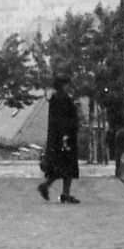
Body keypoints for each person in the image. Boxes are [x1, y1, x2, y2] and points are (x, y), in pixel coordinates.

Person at [38, 71, 81, 204]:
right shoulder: (61, 99)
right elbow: (62, 120)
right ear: (61, 85)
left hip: (62, 137)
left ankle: (63, 192)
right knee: (64, 165)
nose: (68, 86)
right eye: (66, 84)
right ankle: (53, 188)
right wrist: (65, 136)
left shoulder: (59, 99)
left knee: (63, 166)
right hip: (63, 138)